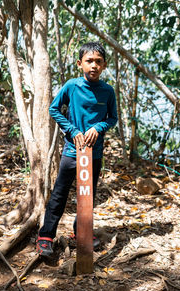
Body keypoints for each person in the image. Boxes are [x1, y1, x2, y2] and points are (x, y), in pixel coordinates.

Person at [36, 41, 118, 257]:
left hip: (95, 153)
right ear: (80, 63)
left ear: (104, 65)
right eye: (89, 61)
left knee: (87, 195)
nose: (94, 66)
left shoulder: (108, 91)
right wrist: (72, 130)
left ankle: (80, 233)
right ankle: (46, 236)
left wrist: (98, 128)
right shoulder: (72, 86)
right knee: (59, 194)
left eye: (98, 62)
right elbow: (54, 109)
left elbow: (112, 118)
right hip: (72, 152)